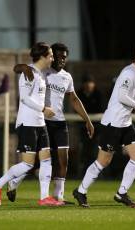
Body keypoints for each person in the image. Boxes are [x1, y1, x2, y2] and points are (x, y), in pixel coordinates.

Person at [72, 42, 135, 208]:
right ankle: (81, 191)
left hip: (125, 123)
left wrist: (134, 109)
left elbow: (125, 99)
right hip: (113, 124)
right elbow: (121, 96)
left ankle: (121, 193)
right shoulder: (129, 73)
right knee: (103, 162)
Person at [7, 43, 94, 204]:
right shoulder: (43, 70)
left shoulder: (67, 77)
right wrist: (23, 67)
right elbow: (20, 68)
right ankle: (13, 182)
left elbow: (74, 99)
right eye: (58, 56)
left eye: (64, 57)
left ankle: (58, 196)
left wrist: (87, 120)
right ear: (51, 56)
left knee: (63, 159)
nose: (61, 60)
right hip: (42, 121)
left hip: (59, 122)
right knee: (35, 162)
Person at [0, 42, 64, 206]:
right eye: (50, 55)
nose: (53, 58)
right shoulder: (29, 73)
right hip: (28, 122)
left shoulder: (39, 73)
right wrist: (44, 108)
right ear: (43, 57)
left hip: (40, 123)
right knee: (27, 164)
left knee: (46, 160)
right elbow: (24, 98)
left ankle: (44, 198)